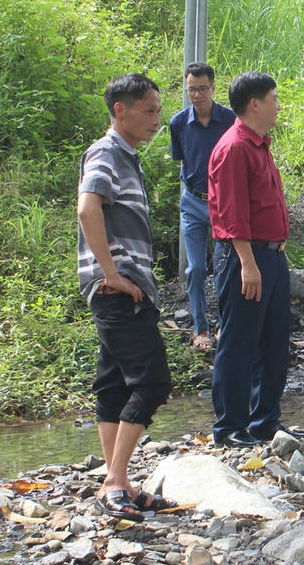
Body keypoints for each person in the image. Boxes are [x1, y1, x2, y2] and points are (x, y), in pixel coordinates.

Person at [77, 72, 175, 521]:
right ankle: (114, 482)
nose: (158, 119)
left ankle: (120, 482)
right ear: (121, 109)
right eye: (150, 110)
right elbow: (87, 207)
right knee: (152, 381)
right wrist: (111, 274)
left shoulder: (126, 156)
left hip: (125, 288)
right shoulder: (107, 152)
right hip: (119, 289)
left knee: (113, 383)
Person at [207, 71, 304, 446]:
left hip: (272, 256)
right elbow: (231, 213)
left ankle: (265, 421)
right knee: (239, 341)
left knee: (274, 340)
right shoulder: (234, 147)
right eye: (275, 99)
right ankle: (230, 427)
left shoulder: (259, 144)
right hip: (245, 257)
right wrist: (247, 263)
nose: (278, 107)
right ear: (254, 104)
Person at [168, 62, 236, 351]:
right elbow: (181, 159)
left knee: (224, 266)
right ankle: (200, 329)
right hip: (193, 201)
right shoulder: (178, 123)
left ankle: (226, 325)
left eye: (202, 89)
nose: (197, 95)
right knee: (195, 268)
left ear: (213, 88)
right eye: (191, 90)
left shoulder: (231, 120)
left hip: (224, 203)